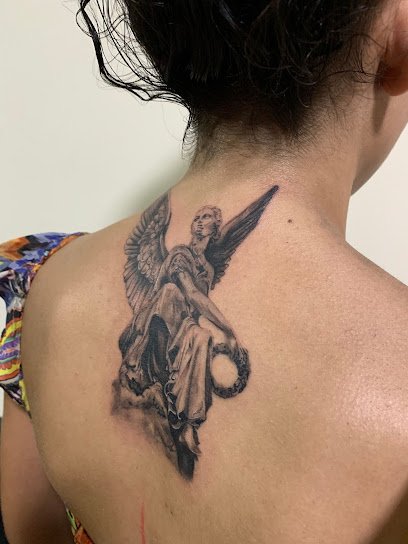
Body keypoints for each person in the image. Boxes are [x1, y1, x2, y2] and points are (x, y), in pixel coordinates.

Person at [0, 1, 407, 542]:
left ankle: (181, 416)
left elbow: (31, 529)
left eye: (210, 228)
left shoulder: (41, 290)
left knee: (193, 334)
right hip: (159, 328)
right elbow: (189, 294)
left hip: (171, 331)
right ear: (399, 37)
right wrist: (227, 332)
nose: (203, 231)